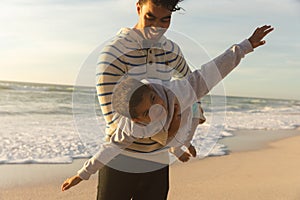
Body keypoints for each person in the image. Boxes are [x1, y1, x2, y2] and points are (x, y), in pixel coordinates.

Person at [61, 0, 274, 199]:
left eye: (165, 20)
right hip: (121, 160)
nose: (156, 28)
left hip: (158, 162)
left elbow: (194, 85)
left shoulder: (171, 51)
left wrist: (189, 124)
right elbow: (115, 120)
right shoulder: (114, 53)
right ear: (138, 8)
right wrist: (172, 136)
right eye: (150, 17)